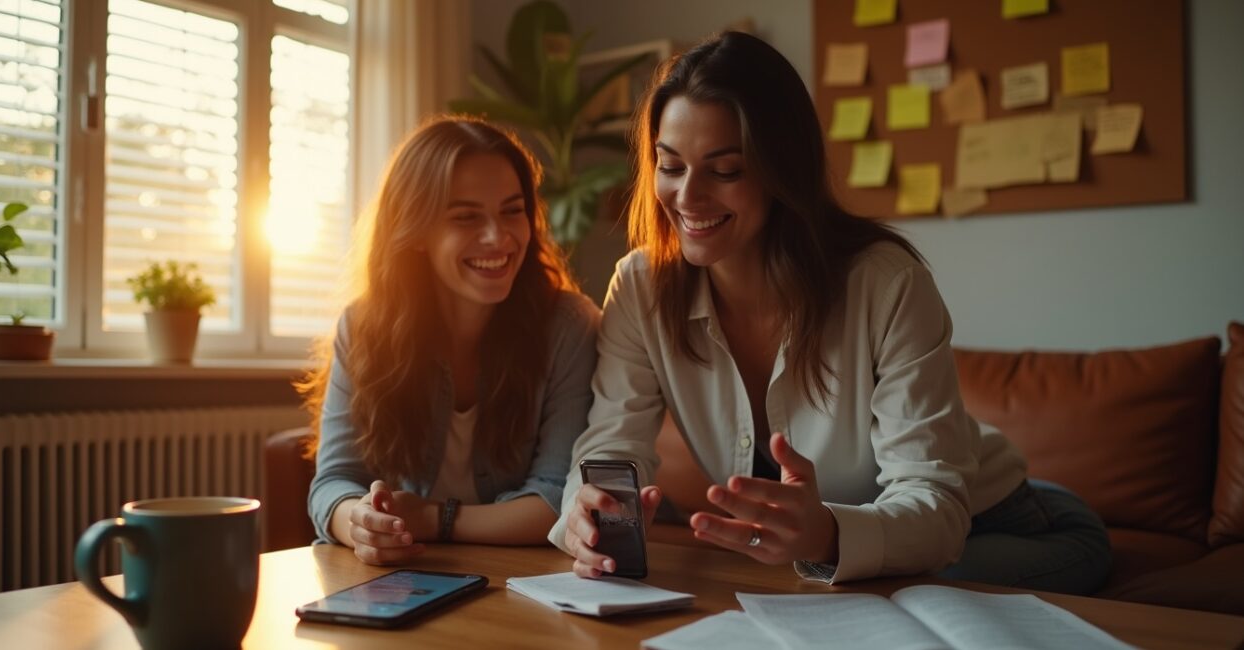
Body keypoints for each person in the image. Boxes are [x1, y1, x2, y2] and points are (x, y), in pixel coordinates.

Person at [551, 32, 1111, 594]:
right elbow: (612, 444)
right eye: (670, 166)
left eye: (724, 171)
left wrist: (824, 538)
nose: (687, 197)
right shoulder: (640, 286)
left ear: (781, 170)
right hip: (843, 550)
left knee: (901, 596)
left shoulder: (886, 284)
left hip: (1007, 521)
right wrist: (587, 512)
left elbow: (937, 507)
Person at [303, 115, 599, 565]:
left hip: (520, 585)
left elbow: (556, 500)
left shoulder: (568, 326)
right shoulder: (363, 326)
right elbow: (334, 482)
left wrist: (432, 519)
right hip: (397, 582)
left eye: (512, 211)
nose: (497, 237)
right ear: (416, 230)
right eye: (466, 217)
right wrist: (360, 522)